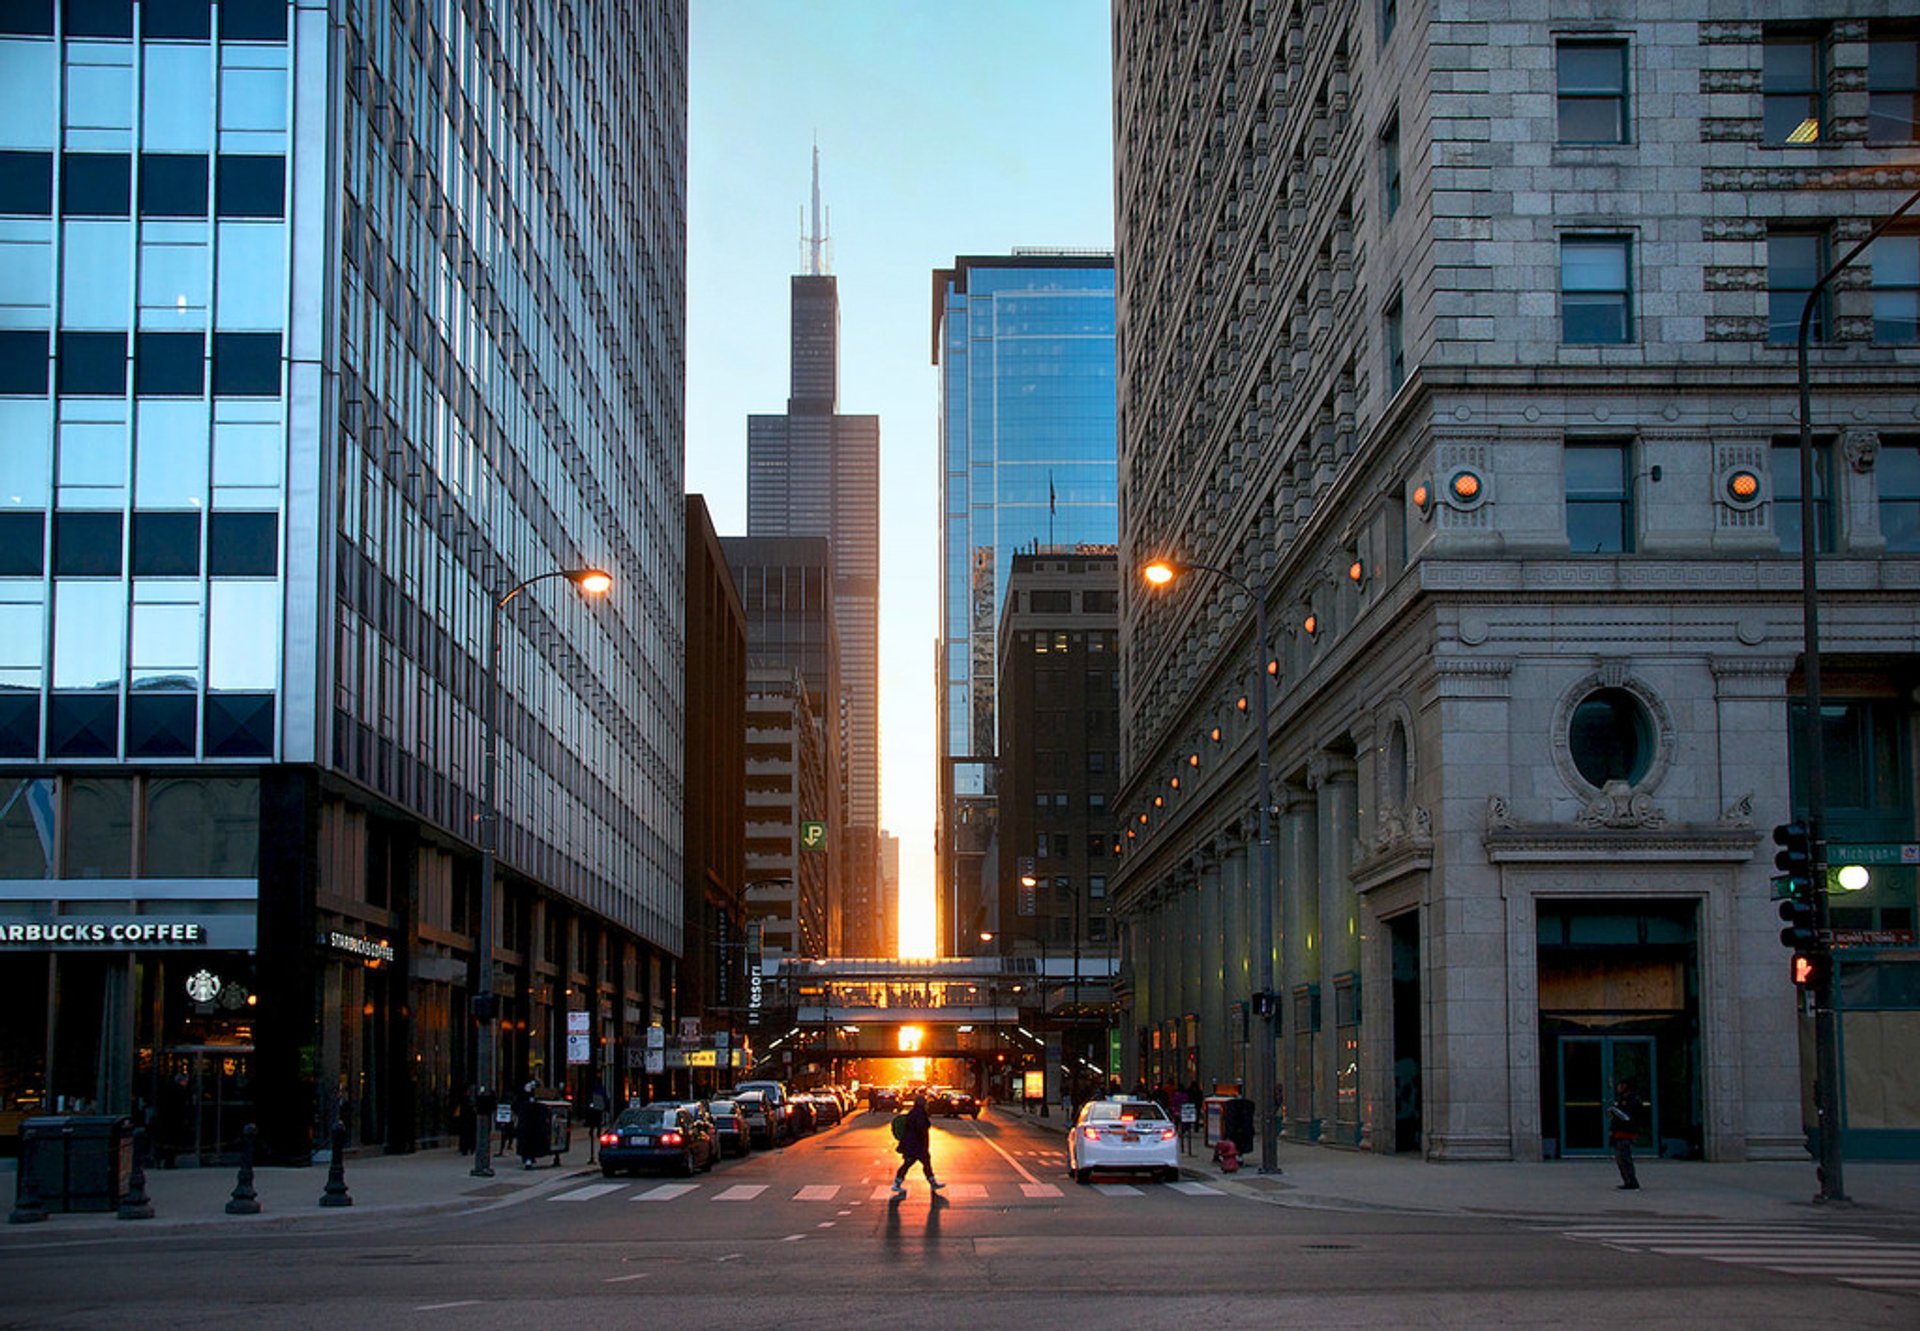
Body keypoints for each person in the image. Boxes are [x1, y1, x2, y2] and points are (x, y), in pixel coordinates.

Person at [890, 1093, 945, 1199]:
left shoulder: (914, 1112)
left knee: (923, 1163)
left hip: (915, 1145)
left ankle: (932, 1183)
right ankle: (896, 1184)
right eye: (924, 1102)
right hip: (916, 1146)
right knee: (910, 1164)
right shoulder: (919, 1114)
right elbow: (921, 1128)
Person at [1608, 1080, 1644, 1190]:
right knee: (1620, 1159)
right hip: (1619, 1133)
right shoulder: (1623, 1099)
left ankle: (1632, 1181)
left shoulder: (1631, 1100)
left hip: (1626, 1133)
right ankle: (1627, 1180)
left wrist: (1615, 1112)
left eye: (1620, 1086)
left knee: (1625, 1158)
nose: (1618, 1088)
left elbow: (1627, 1117)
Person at [514, 1081, 544, 1170]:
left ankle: (528, 1157)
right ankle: (528, 1157)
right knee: (527, 1141)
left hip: (530, 1124)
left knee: (528, 1141)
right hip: (528, 1124)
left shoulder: (527, 1099)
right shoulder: (525, 1099)